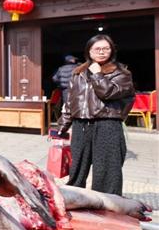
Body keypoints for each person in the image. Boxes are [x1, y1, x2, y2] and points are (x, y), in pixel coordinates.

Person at [57, 34, 134, 196]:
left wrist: (98, 74)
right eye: (97, 49)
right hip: (80, 125)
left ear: (112, 51)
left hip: (107, 125)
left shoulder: (121, 73)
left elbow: (107, 93)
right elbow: (71, 100)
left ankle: (106, 202)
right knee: (77, 168)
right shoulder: (78, 72)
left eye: (106, 48)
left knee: (106, 171)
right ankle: (74, 199)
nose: (101, 52)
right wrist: (63, 125)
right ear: (89, 51)